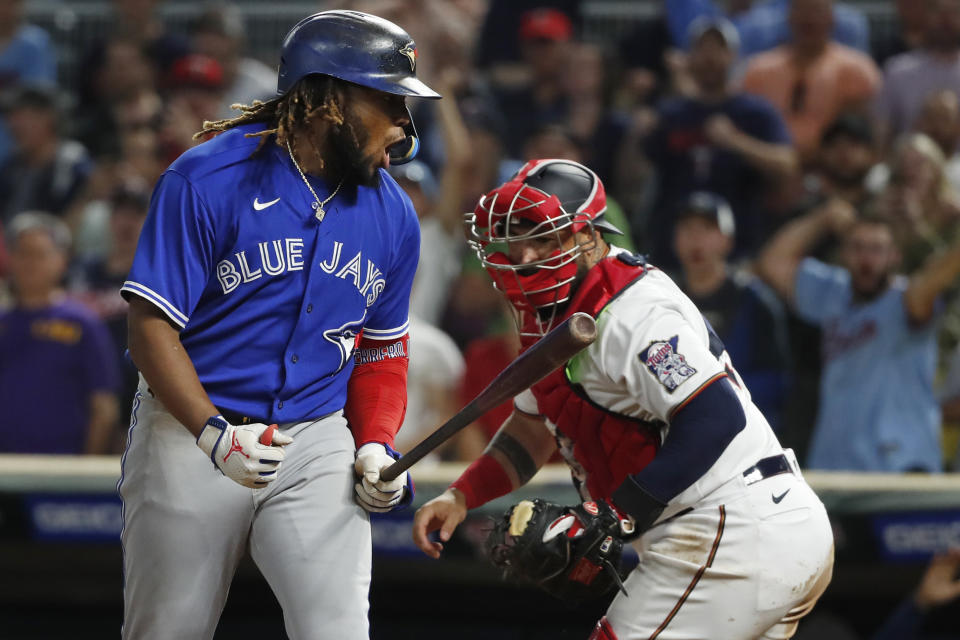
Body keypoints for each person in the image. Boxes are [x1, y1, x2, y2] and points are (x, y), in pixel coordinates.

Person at [413, 158, 834, 639]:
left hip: (734, 525)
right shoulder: (545, 315)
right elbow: (532, 430)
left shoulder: (633, 310)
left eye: (543, 237)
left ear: (589, 237)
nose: (526, 256)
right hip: (726, 535)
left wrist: (614, 512)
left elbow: (716, 416)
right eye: (516, 240)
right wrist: (463, 494)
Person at [117, 11, 440, 639]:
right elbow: (150, 328)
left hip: (316, 438)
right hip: (193, 431)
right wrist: (212, 434)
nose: (404, 125)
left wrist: (375, 441)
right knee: (169, 629)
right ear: (328, 99)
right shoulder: (206, 179)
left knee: (338, 628)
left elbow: (382, 351)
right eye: (389, 101)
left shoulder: (394, 214)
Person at [756, 204, 960, 472]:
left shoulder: (905, 300)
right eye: (857, 247)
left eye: (876, 249)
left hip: (900, 467)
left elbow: (931, 282)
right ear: (844, 253)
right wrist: (824, 217)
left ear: (894, 256)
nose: (866, 259)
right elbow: (772, 262)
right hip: (836, 464)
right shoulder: (833, 293)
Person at [642, 16, 796, 266]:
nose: (709, 58)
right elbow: (639, 170)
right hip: (672, 252)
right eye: (702, 50)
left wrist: (737, 141)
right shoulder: (670, 115)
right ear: (690, 57)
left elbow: (787, 164)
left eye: (718, 49)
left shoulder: (755, 112)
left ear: (734, 56)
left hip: (738, 250)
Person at [0, 212, 119, 455]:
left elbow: (104, 406)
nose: (30, 263)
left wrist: (85, 471)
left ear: (62, 260)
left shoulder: (82, 323)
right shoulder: (4, 323)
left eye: (40, 254)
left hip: (62, 470)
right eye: (22, 253)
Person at [672, 191, 791, 431]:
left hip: (744, 432)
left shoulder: (756, 301)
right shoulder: (665, 298)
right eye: (687, 229)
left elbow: (778, 381)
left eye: (706, 229)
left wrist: (715, 396)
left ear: (727, 240)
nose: (696, 239)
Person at [741, 0, 880, 162]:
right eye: (802, 11)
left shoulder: (857, 70)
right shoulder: (759, 70)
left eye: (816, 11)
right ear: (789, 17)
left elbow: (860, 135)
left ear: (831, 18)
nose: (808, 19)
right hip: (770, 165)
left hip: (833, 169)